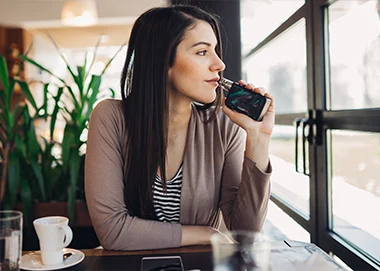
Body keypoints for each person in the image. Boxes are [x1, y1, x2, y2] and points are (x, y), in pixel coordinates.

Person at [85, 5, 275, 251]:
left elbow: (246, 234)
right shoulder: (110, 117)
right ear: (162, 60)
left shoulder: (225, 126)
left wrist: (259, 139)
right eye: (202, 52)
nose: (219, 64)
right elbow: (112, 230)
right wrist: (206, 234)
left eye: (215, 51)